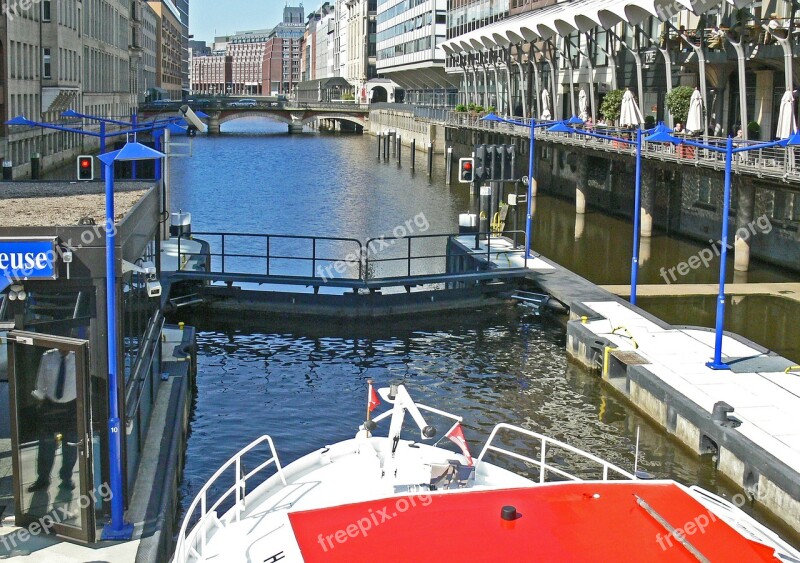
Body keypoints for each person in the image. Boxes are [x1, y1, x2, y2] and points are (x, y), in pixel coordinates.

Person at [27, 349, 78, 492]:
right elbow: (41, 380)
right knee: (46, 444)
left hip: (72, 405)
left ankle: (66, 477)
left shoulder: (79, 356)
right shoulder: (47, 357)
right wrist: (39, 402)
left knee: (71, 443)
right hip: (50, 404)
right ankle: (43, 479)